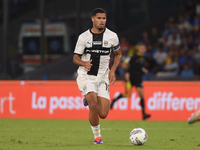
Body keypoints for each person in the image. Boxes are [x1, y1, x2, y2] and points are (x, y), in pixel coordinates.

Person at [73, 8, 122, 144]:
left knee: (103, 114)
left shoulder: (112, 36)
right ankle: (97, 137)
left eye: (104, 18)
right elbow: (75, 58)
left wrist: (112, 70)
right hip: (86, 76)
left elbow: (119, 54)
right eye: (99, 18)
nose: (102, 21)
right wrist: (83, 63)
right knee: (94, 106)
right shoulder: (84, 37)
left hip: (102, 78)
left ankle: (88, 100)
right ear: (93, 19)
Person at [110, 44, 151, 120]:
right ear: (139, 49)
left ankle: (144, 114)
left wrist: (143, 70)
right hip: (130, 79)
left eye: (143, 48)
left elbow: (138, 67)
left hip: (138, 79)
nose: (142, 49)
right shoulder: (132, 56)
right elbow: (124, 64)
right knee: (127, 94)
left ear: (145, 50)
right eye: (141, 48)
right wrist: (127, 72)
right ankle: (114, 100)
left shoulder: (142, 58)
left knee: (141, 95)